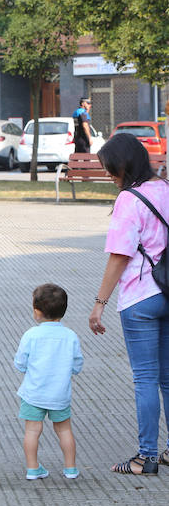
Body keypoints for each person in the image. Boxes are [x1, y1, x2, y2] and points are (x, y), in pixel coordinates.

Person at [89, 132, 169, 475]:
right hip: (167, 293)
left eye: (111, 171)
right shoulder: (166, 189)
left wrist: (99, 303)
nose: (111, 178)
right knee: (167, 379)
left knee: (145, 378)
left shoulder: (129, 199)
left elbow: (119, 256)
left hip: (140, 297)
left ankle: (146, 457)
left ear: (124, 166)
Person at [14, 284, 84, 480]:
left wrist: (26, 368)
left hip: (33, 393)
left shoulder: (31, 335)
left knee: (32, 430)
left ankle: (32, 468)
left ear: (37, 312)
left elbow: (20, 362)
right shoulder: (70, 336)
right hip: (59, 393)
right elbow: (77, 363)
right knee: (64, 430)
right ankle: (70, 468)